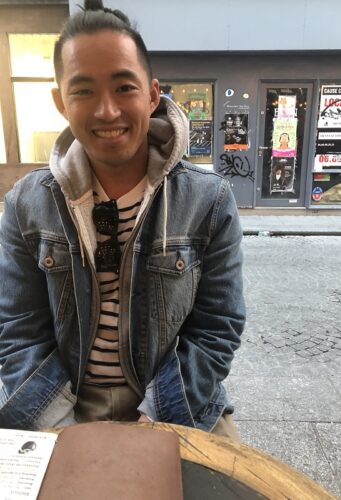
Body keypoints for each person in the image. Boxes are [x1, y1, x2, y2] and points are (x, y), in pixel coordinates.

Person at [0, 0, 245, 437]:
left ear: (152, 95)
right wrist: (65, 428)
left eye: (124, 88)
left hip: (176, 402)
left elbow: (216, 330)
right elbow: (19, 333)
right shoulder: (25, 205)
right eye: (83, 90)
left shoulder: (210, 201)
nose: (106, 111)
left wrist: (156, 418)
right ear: (60, 102)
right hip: (57, 402)